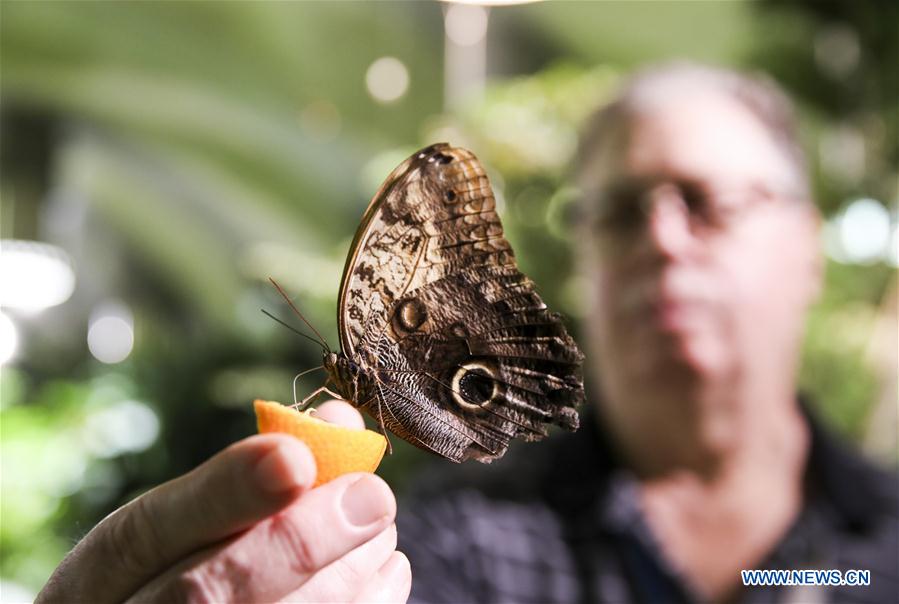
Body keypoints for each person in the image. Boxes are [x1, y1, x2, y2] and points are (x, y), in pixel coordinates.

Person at [36, 63, 897, 604]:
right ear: (585, 263)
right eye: (621, 213)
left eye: (706, 202)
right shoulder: (457, 546)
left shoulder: (878, 546)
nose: (662, 240)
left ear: (809, 246)